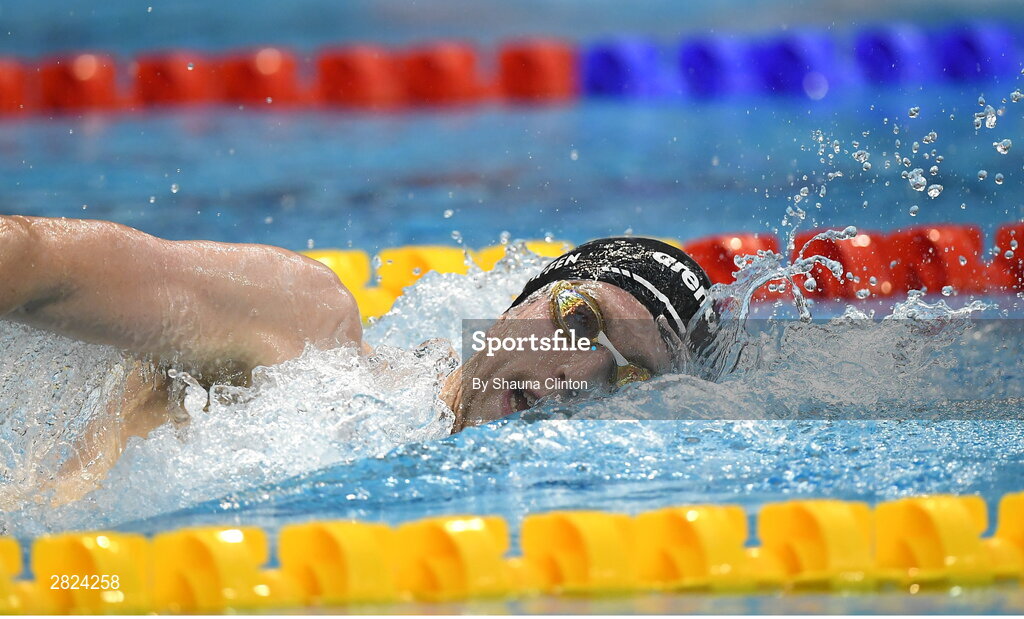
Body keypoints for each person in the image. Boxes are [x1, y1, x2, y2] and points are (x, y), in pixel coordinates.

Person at [0, 215, 713, 491]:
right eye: (579, 320)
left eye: (626, 373)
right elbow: (38, 267)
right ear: (516, 305)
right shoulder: (300, 333)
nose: (578, 375)